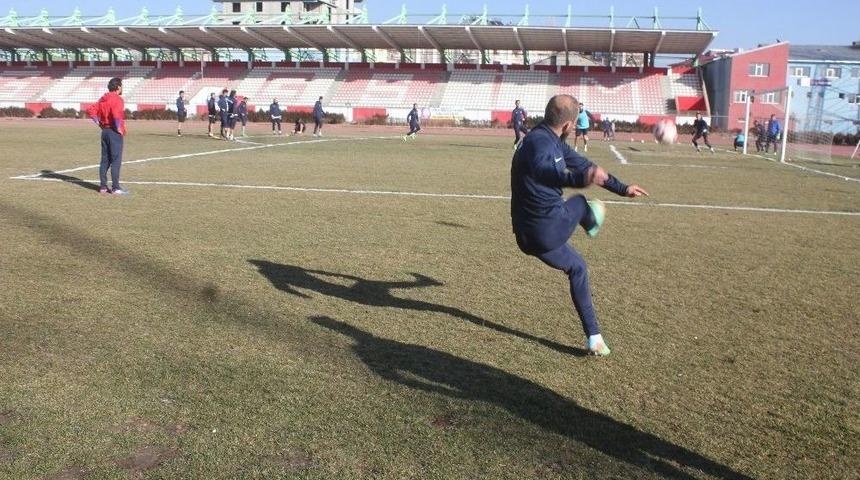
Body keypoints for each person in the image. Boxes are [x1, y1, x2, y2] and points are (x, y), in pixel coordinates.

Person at [510, 95, 649, 356]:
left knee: (578, 267)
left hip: (530, 236)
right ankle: (590, 221)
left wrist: (622, 188)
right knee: (582, 203)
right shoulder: (538, 144)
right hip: (545, 230)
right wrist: (577, 179)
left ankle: (594, 337)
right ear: (568, 125)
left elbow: (589, 168)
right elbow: (542, 172)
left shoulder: (552, 141)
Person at [86, 77, 128, 196]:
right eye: (121, 86)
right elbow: (116, 114)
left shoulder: (103, 99)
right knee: (116, 160)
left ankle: (103, 187)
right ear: (118, 87)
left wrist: (99, 123)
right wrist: (119, 128)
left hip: (105, 132)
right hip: (114, 132)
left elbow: (91, 110)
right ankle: (115, 188)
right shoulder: (117, 99)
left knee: (105, 160)